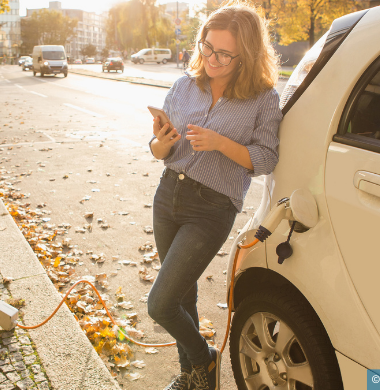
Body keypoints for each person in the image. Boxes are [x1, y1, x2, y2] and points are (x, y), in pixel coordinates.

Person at [147, 1, 282, 389]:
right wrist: (161, 142)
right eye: (207, 47)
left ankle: (206, 360)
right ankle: (192, 377)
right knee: (180, 298)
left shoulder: (263, 98)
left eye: (224, 53)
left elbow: (267, 158)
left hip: (212, 208)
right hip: (168, 195)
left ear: (247, 55)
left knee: (160, 304)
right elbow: (159, 152)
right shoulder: (184, 85)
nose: (212, 59)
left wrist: (222, 143)